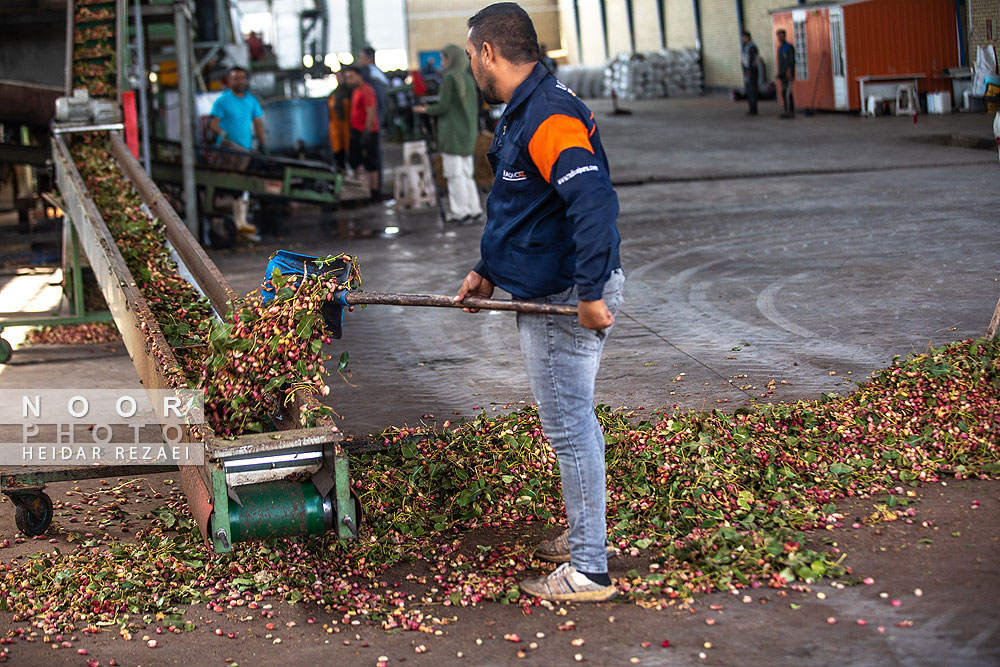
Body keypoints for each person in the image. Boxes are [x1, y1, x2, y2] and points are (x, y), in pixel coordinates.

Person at [454, 2, 625, 603]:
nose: (470, 62)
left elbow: (593, 202)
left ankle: (588, 570)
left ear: (490, 53)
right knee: (575, 423)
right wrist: (487, 271)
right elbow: (524, 211)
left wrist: (593, 290)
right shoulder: (523, 110)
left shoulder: (548, 113)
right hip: (547, 287)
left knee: (569, 427)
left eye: (472, 52)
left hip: (564, 298)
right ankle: (588, 537)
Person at [413, 44, 484, 224]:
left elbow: (443, 106)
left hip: (452, 134)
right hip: (467, 133)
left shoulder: (450, 79)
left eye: (443, 58)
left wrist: (425, 109)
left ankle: (460, 212)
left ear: (450, 59)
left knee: (454, 175)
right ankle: (473, 208)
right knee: (467, 173)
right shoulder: (468, 79)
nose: (442, 62)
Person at [207, 66, 265, 240]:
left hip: (245, 150)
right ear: (229, 81)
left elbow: (258, 124)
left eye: (242, 78)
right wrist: (223, 134)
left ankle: (241, 222)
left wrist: (263, 144)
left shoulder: (251, 101)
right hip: (228, 150)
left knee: (243, 184)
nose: (239, 81)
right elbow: (213, 124)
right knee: (230, 184)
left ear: (246, 80)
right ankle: (233, 222)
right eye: (235, 78)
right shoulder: (222, 101)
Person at [343, 65, 380, 197]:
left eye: (351, 77)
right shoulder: (355, 91)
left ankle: (374, 192)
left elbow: (370, 111)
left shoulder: (366, 91)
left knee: (371, 163)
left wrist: (367, 131)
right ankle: (363, 189)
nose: (349, 80)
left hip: (367, 132)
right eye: (347, 78)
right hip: (357, 131)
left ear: (359, 76)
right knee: (355, 160)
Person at [356, 47, 387, 199]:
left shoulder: (369, 76)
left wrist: (368, 125)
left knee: (373, 157)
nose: (359, 60)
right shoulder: (377, 73)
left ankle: (376, 190)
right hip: (376, 120)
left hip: (373, 122)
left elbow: (372, 105)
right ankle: (375, 188)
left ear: (368, 59)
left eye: (361, 57)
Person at [328, 69, 352, 170]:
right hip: (336, 129)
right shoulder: (333, 94)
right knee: (338, 153)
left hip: (348, 127)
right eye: (337, 76)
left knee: (350, 153)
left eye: (341, 76)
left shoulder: (350, 93)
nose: (339, 78)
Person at [776, 28, 795, 118]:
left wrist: (789, 71)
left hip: (788, 73)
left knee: (788, 93)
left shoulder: (789, 47)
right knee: (784, 92)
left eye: (781, 36)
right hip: (782, 74)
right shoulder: (780, 48)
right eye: (779, 36)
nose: (780, 38)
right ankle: (786, 110)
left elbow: (791, 61)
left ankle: (790, 111)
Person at [740, 30, 760, 116]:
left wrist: (748, 71)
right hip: (748, 71)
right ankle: (751, 108)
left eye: (743, 37)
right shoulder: (747, 47)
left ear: (747, 37)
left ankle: (753, 109)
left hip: (751, 72)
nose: (742, 39)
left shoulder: (752, 47)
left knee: (752, 90)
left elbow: (750, 60)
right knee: (749, 90)